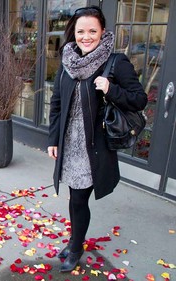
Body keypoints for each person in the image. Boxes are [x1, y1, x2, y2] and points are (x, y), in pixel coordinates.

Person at [47, 6, 147, 272]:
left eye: (92, 30)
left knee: (78, 200)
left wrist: (111, 88)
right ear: (74, 33)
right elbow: (56, 103)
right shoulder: (67, 62)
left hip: (94, 148)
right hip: (69, 145)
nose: (86, 36)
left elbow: (140, 99)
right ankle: (75, 241)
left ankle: (76, 247)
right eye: (81, 31)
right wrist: (53, 139)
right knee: (74, 198)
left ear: (102, 32)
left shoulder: (115, 62)